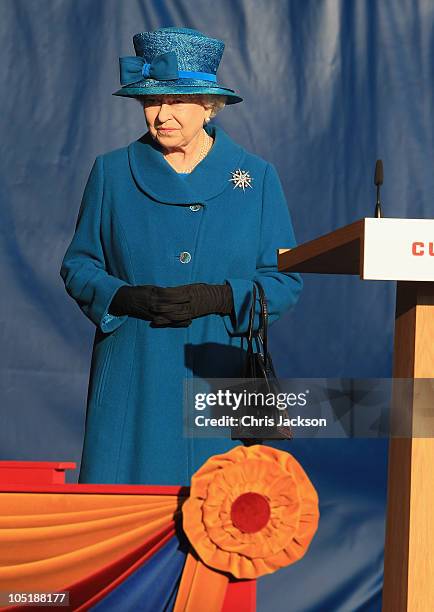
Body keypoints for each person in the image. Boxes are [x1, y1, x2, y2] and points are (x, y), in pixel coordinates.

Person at [60, 27, 302, 486]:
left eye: (176, 101)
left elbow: (284, 282)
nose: (162, 114)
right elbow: (79, 265)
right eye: (152, 102)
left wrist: (220, 297)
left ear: (209, 105)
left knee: (218, 520)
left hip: (217, 371)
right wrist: (123, 298)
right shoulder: (111, 171)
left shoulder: (256, 177)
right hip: (135, 370)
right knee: (124, 519)